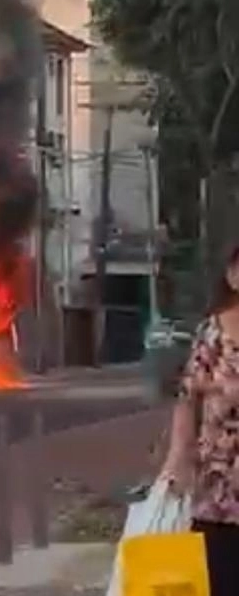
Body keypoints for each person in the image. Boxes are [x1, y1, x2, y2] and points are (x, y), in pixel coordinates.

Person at [163, 245, 239, 596]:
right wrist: (177, 458)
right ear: (231, 276)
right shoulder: (213, 331)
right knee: (218, 575)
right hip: (218, 479)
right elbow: (187, 397)